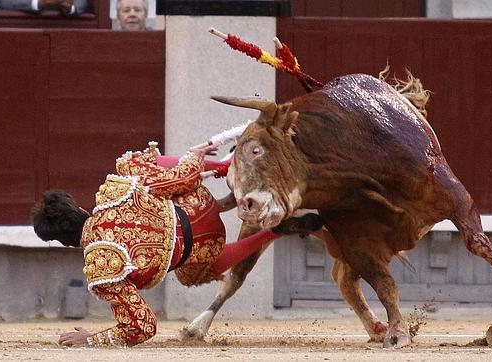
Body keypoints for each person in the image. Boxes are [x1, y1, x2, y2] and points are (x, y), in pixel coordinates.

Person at [32, 141, 322, 347]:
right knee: (130, 164)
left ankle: (272, 233)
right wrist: (194, 159)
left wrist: (93, 340)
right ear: (81, 210)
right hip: (199, 203)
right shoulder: (115, 194)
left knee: (188, 273)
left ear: (64, 243)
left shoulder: (102, 267)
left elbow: (142, 328)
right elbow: (179, 179)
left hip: (205, 249)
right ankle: (225, 166)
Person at [0, 0, 88, 16]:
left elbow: (82, 1)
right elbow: (3, 2)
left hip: (63, 28)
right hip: (24, 28)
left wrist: (70, 9)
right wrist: (38, 3)